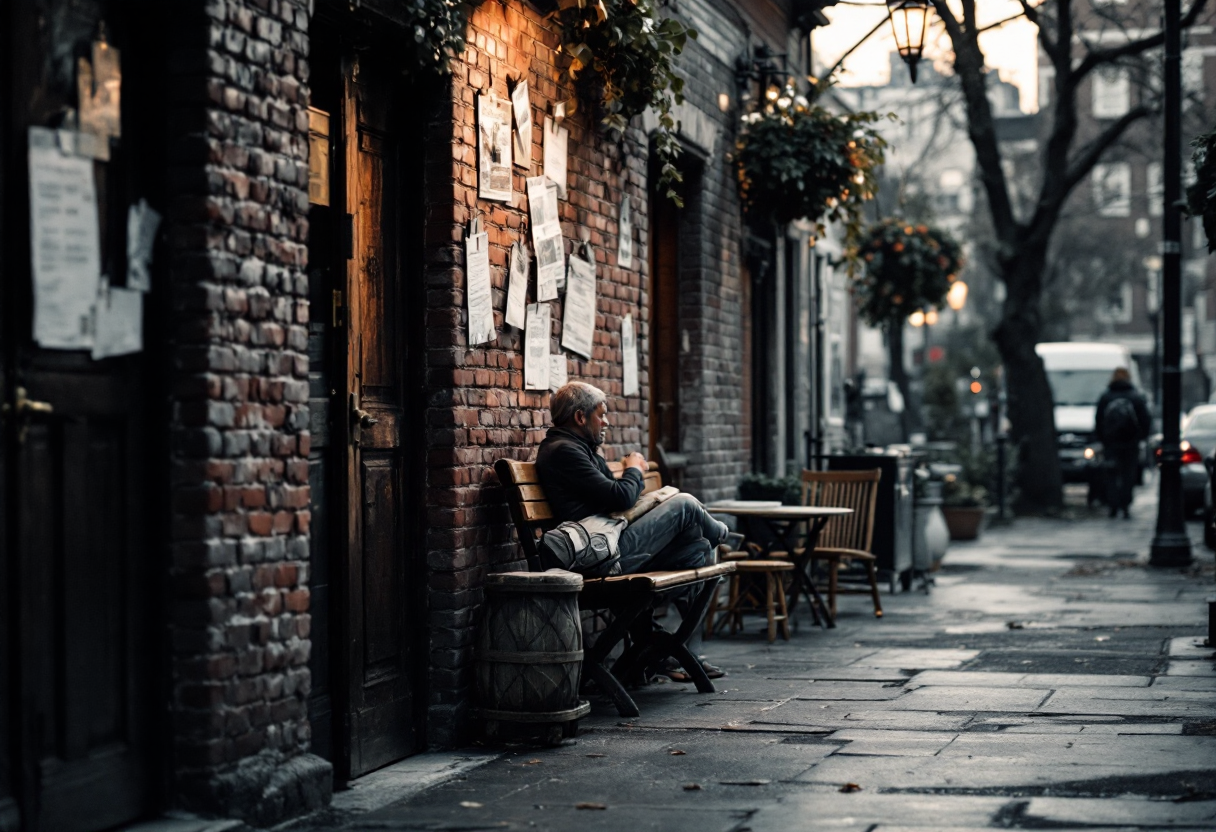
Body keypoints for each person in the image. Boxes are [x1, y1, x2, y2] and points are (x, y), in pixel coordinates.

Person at [535, 381, 730, 679]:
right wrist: (635, 468)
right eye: (602, 414)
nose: (607, 422)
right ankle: (722, 534)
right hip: (600, 559)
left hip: (613, 544)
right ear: (580, 417)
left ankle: (673, 652)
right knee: (686, 504)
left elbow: (617, 499)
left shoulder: (579, 449)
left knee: (698, 549)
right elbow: (622, 497)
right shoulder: (563, 452)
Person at [1094, 367, 1151, 519]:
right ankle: (1125, 505)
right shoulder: (1135, 397)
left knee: (1111, 473)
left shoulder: (1106, 397)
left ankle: (1113, 505)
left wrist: (1102, 439)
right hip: (1130, 443)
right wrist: (1141, 437)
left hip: (1111, 443)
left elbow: (1099, 420)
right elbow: (1145, 420)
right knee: (1128, 474)